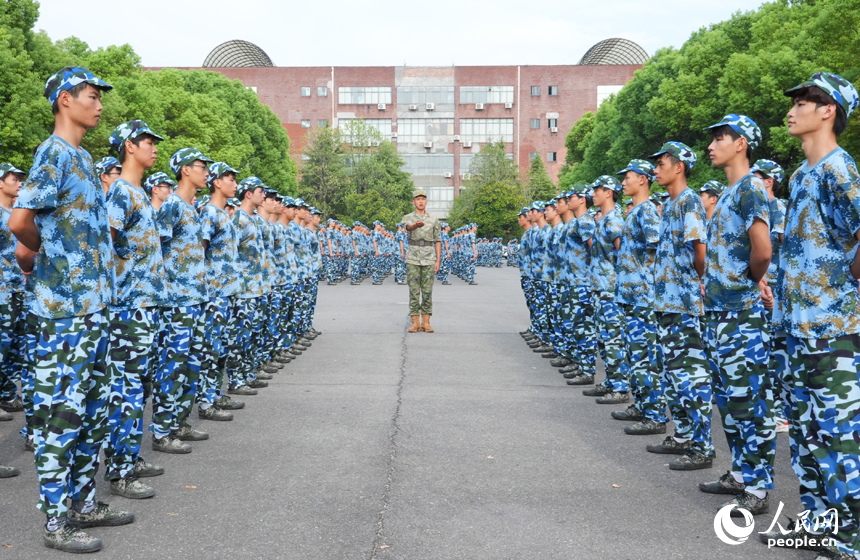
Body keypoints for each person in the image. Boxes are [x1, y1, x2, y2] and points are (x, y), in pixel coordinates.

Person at [9, 66, 133, 553]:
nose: (99, 103)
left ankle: (83, 504)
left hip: (94, 309)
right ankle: (56, 521)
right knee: (61, 414)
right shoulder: (53, 153)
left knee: (90, 413)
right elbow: (20, 222)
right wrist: (51, 255)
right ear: (65, 100)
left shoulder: (82, 157)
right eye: (90, 95)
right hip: (63, 312)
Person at [765, 72, 860, 559]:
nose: (793, 108)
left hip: (831, 329)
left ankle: (851, 532)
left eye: (804, 101)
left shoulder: (839, 169)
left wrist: (843, 288)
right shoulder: (802, 174)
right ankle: (819, 522)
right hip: (794, 328)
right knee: (804, 432)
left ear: (828, 111)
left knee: (838, 433)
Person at [699, 114, 775, 515]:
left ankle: (759, 488)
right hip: (719, 315)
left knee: (750, 402)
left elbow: (762, 250)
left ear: (741, 143)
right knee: (729, 402)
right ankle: (741, 473)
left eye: (720, 138)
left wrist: (746, 281)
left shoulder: (750, 189)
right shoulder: (729, 193)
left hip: (741, 315)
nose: (711, 146)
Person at [102, 120, 170, 499]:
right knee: (125, 389)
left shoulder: (138, 193)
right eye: (147, 141)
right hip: (129, 307)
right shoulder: (122, 195)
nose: (153, 147)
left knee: (138, 385)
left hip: (147, 305)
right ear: (129, 146)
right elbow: (105, 247)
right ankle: (120, 471)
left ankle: (130, 457)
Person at [645, 141, 714, 471]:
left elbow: (700, 252)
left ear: (679, 167)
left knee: (691, 376)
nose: (656, 170)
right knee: (673, 375)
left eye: (660, 164)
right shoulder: (671, 204)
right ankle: (684, 435)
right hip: (666, 302)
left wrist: (692, 284)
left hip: (683, 303)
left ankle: (703, 445)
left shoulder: (689, 202)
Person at [154, 148, 213, 452]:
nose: (207, 173)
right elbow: (157, 250)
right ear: (186, 170)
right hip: (177, 301)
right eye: (202, 167)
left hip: (196, 298)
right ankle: (162, 430)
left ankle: (179, 422)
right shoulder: (172, 206)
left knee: (192, 364)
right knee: (172, 365)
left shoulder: (191, 208)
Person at [612, 160, 666, 434]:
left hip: (643, 297)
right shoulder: (635, 212)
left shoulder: (647, 212)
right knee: (635, 355)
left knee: (646, 356)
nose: (623, 182)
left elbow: (656, 248)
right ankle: (643, 405)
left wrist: (648, 281)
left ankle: (655, 415)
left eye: (628, 176)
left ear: (643, 179)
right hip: (631, 295)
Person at [198, 162, 245, 417]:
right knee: (211, 347)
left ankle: (215, 394)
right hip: (214, 292)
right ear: (216, 182)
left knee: (222, 347)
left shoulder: (223, 214)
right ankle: (206, 402)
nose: (234, 184)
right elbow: (200, 251)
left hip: (226, 292)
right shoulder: (208, 213)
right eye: (230, 179)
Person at [583, 176, 630, 403]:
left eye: (597, 189)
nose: (593, 193)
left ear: (609, 192)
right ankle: (611, 382)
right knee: (604, 338)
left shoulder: (614, 220)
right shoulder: (603, 220)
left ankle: (620, 388)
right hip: (600, 288)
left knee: (613, 338)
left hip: (610, 289)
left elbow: (623, 256)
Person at [402, 189, 441, 333]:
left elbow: (438, 240)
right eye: (418, 199)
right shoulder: (407, 217)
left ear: (426, 201)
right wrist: (416, 225)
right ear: (413, 202)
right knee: (414, 290)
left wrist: (438, 260)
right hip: (413, 256)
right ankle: (414, 322)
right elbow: (408, 227)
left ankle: (426, 322)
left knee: (427, 290)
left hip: (429, 257)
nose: (420, 201)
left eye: (423, 199)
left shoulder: (434, 219)